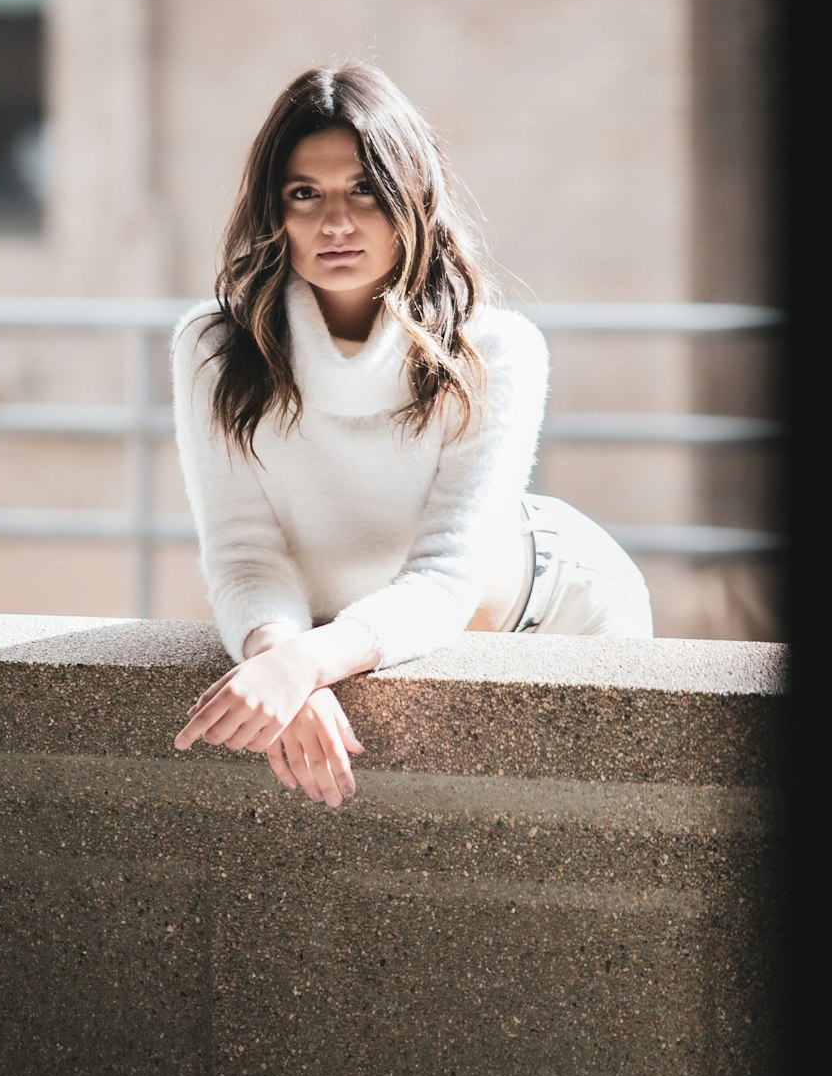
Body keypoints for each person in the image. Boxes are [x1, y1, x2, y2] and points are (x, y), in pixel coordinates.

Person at [171, 59, 653, 807]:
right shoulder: (214, 349)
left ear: (410, 200)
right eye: (306, 195)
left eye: (364, 190)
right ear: (275, 213)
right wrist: (277, 656)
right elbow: (241, 549)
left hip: (552, 604)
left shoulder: (495, 348)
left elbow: (448, 575)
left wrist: (306, 664)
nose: (336, 222)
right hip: (354, 630)